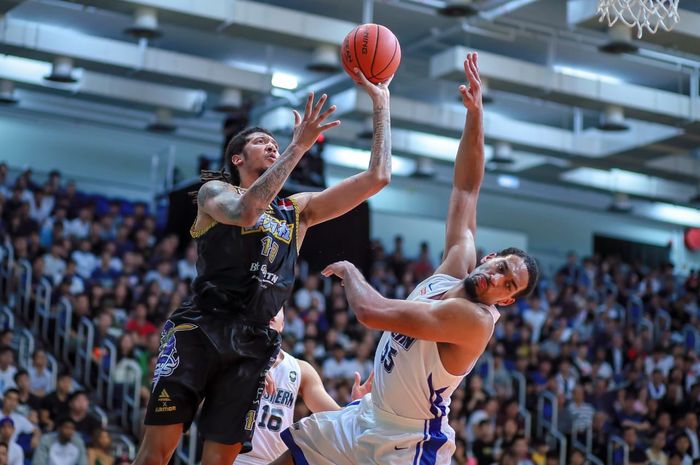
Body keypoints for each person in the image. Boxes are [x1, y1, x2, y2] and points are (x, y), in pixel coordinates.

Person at [268, 53, 538, 465]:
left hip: (407, 441)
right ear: (490, 257)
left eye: (508, 286)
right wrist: (475, 116)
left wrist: (350, 269)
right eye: (502, 269)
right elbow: (466, 189)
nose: (498, 280)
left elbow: (371, 311)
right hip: (368, 416)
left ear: (506, 301)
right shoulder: (455, 265)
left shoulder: (474, 321)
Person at [136, 68, 393, 465]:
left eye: (276, 142)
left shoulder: (297, 211)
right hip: (201, 327)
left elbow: (377, 178)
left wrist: (381, 103)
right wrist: (296, 148)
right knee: (157, 454)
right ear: (237, 157)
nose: (272, 146)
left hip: (255, 341)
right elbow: (246, 212)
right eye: (261, 142)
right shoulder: (215, 192)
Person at [233, 309, 372, 465]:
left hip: (277, 460)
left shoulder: (301, 370)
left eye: (278, 307)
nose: (272, 311)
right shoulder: (233, 361)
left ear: (283, 324)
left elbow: (334, 416)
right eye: (269, 305)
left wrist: (355, 409)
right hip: (236, 458)